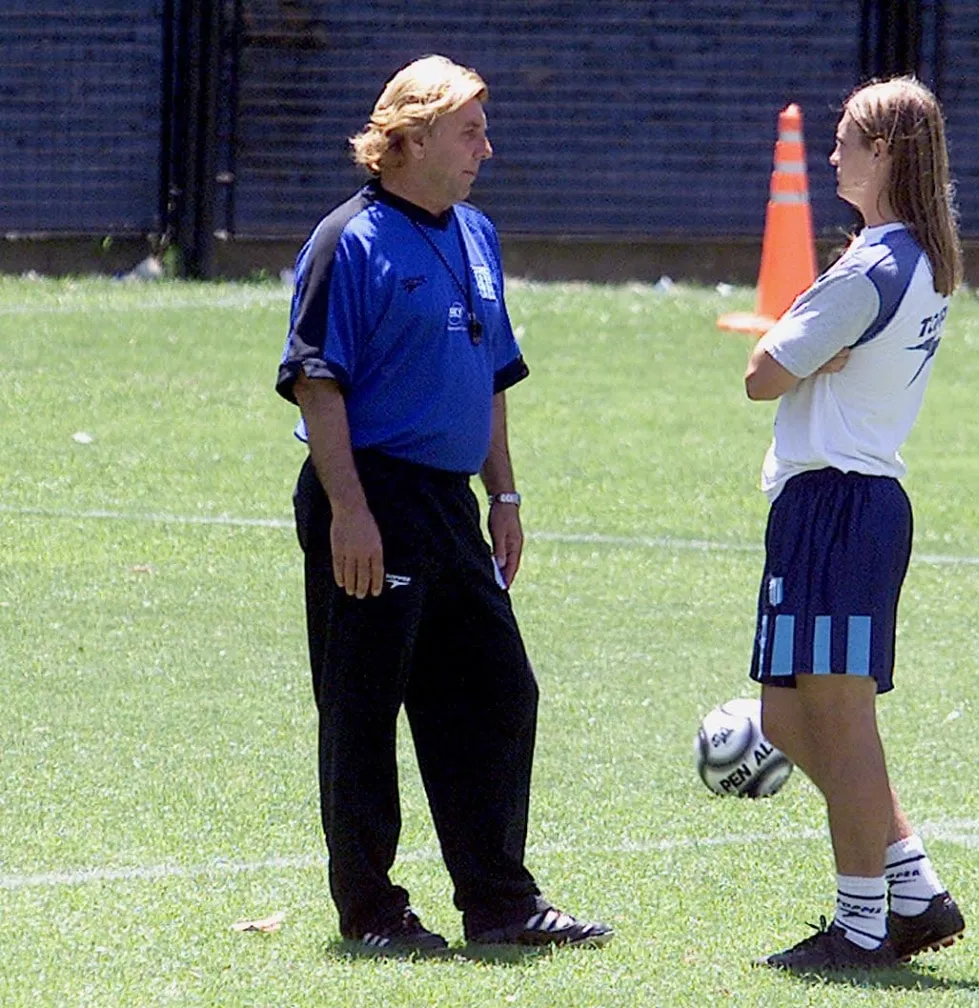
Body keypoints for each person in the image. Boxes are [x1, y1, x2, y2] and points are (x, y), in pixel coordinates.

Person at [275, 55, 611, 955]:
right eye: (470, 132)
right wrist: (350, 513)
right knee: (363, 706)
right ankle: (372, 913)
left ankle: (500, 903)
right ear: (413, 139)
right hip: (371, 494)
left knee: (498, 689)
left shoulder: (477, 233)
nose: (485, 149)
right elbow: (316, 383)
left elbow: (491, 373)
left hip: (450, 505)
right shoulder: (347, 240)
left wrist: (504, 493)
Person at [742, 76, 965, 972]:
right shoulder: (916, 258)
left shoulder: (872, 267)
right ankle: (913, 887)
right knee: (787, 717)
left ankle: (863, 925)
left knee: (840, 723)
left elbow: (760, 374)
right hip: (841, 507)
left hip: (837, 505)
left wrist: (794, 349)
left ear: (884, 153)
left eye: (845, 140)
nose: (831, 153)